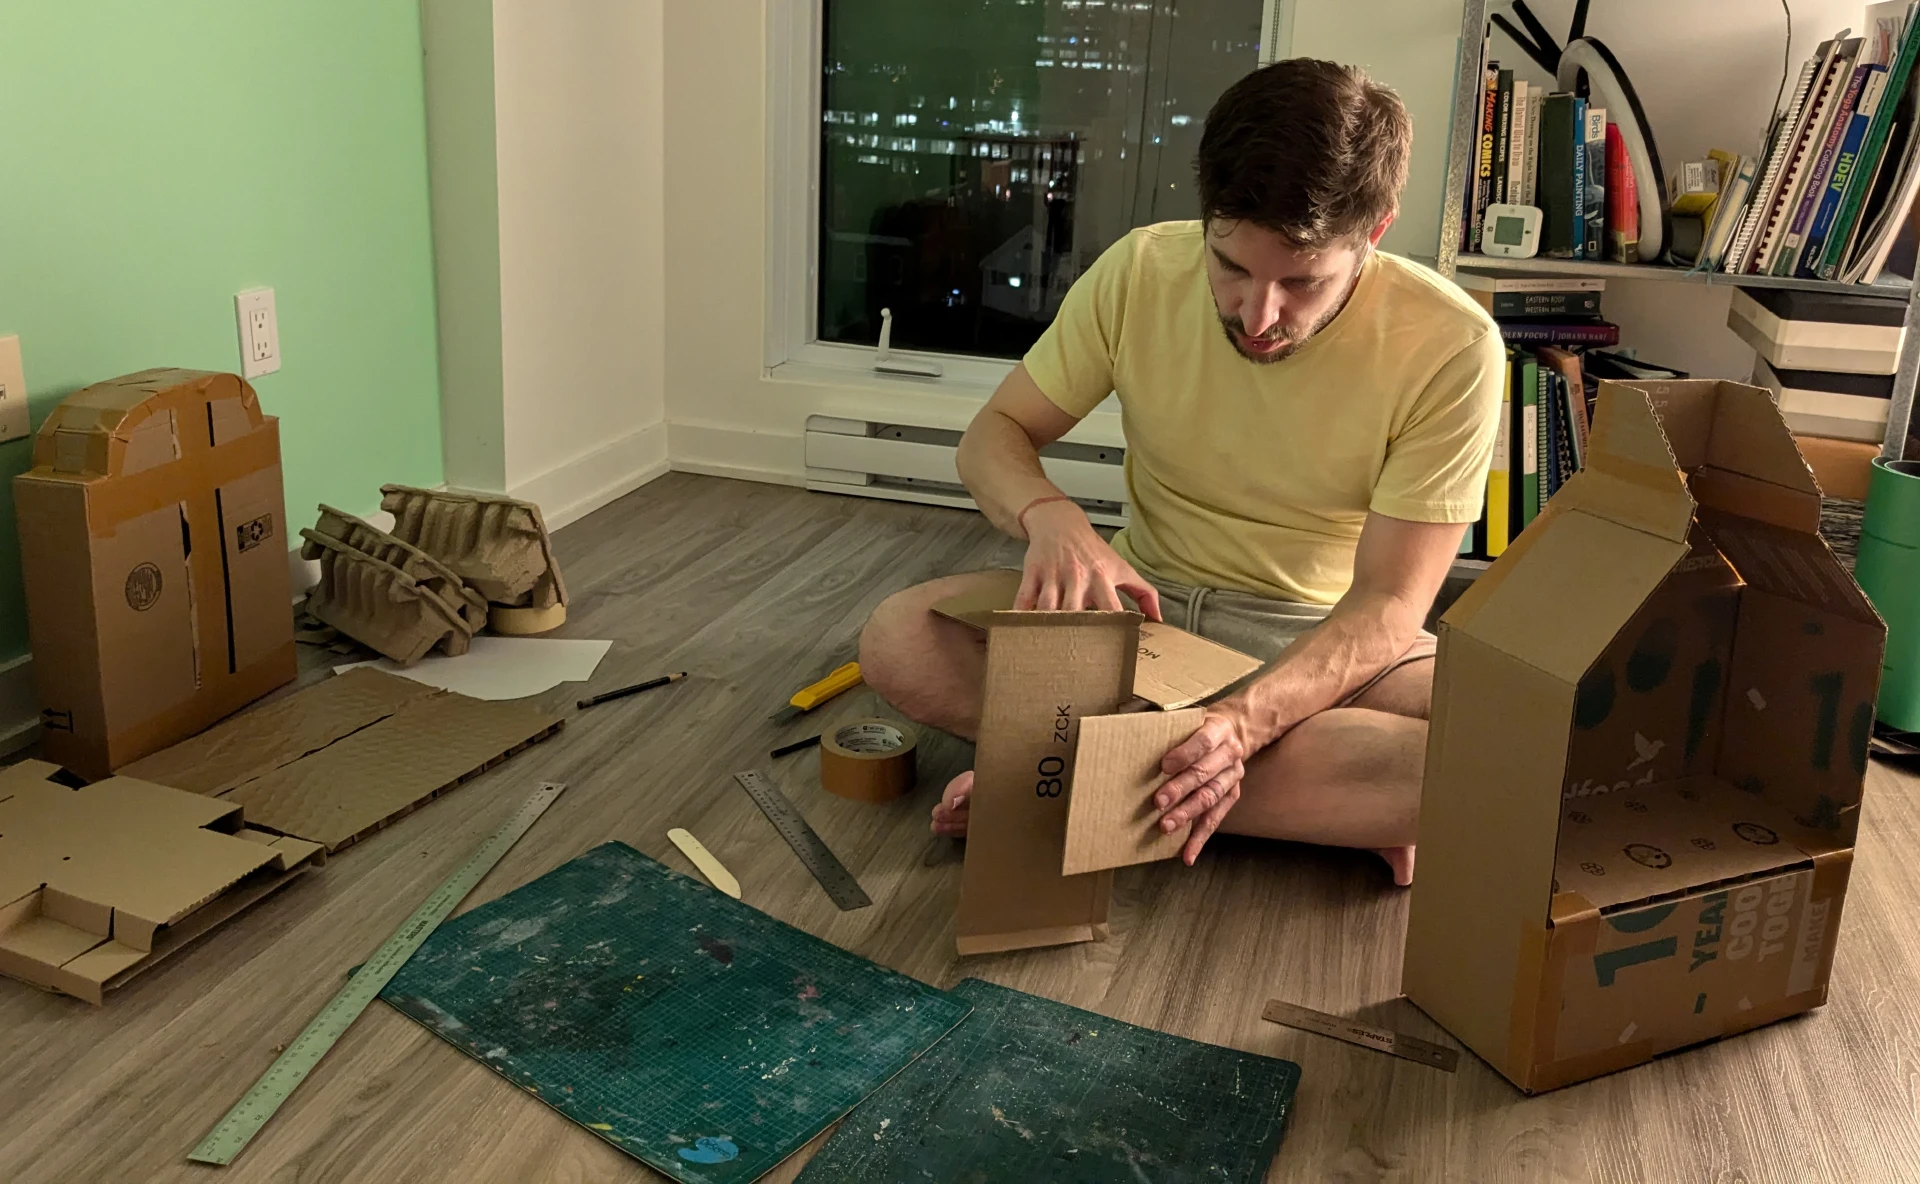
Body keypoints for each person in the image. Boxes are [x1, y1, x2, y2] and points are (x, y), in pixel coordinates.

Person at [857, 58, 1504, 887]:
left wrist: (1241, 724)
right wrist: (1050, 516)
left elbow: (1387, 607)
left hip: (1320, 634)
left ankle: (1067, 783)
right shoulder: (1139, 270)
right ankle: (1276, 802)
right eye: (1231, 266)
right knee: (902, 638)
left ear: (1372, 233)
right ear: (1207, 218)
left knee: (1492, 748)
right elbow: (995, 435)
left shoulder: (1452, 345)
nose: (1258, 315)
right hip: (1143, 615)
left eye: (1302, 282)